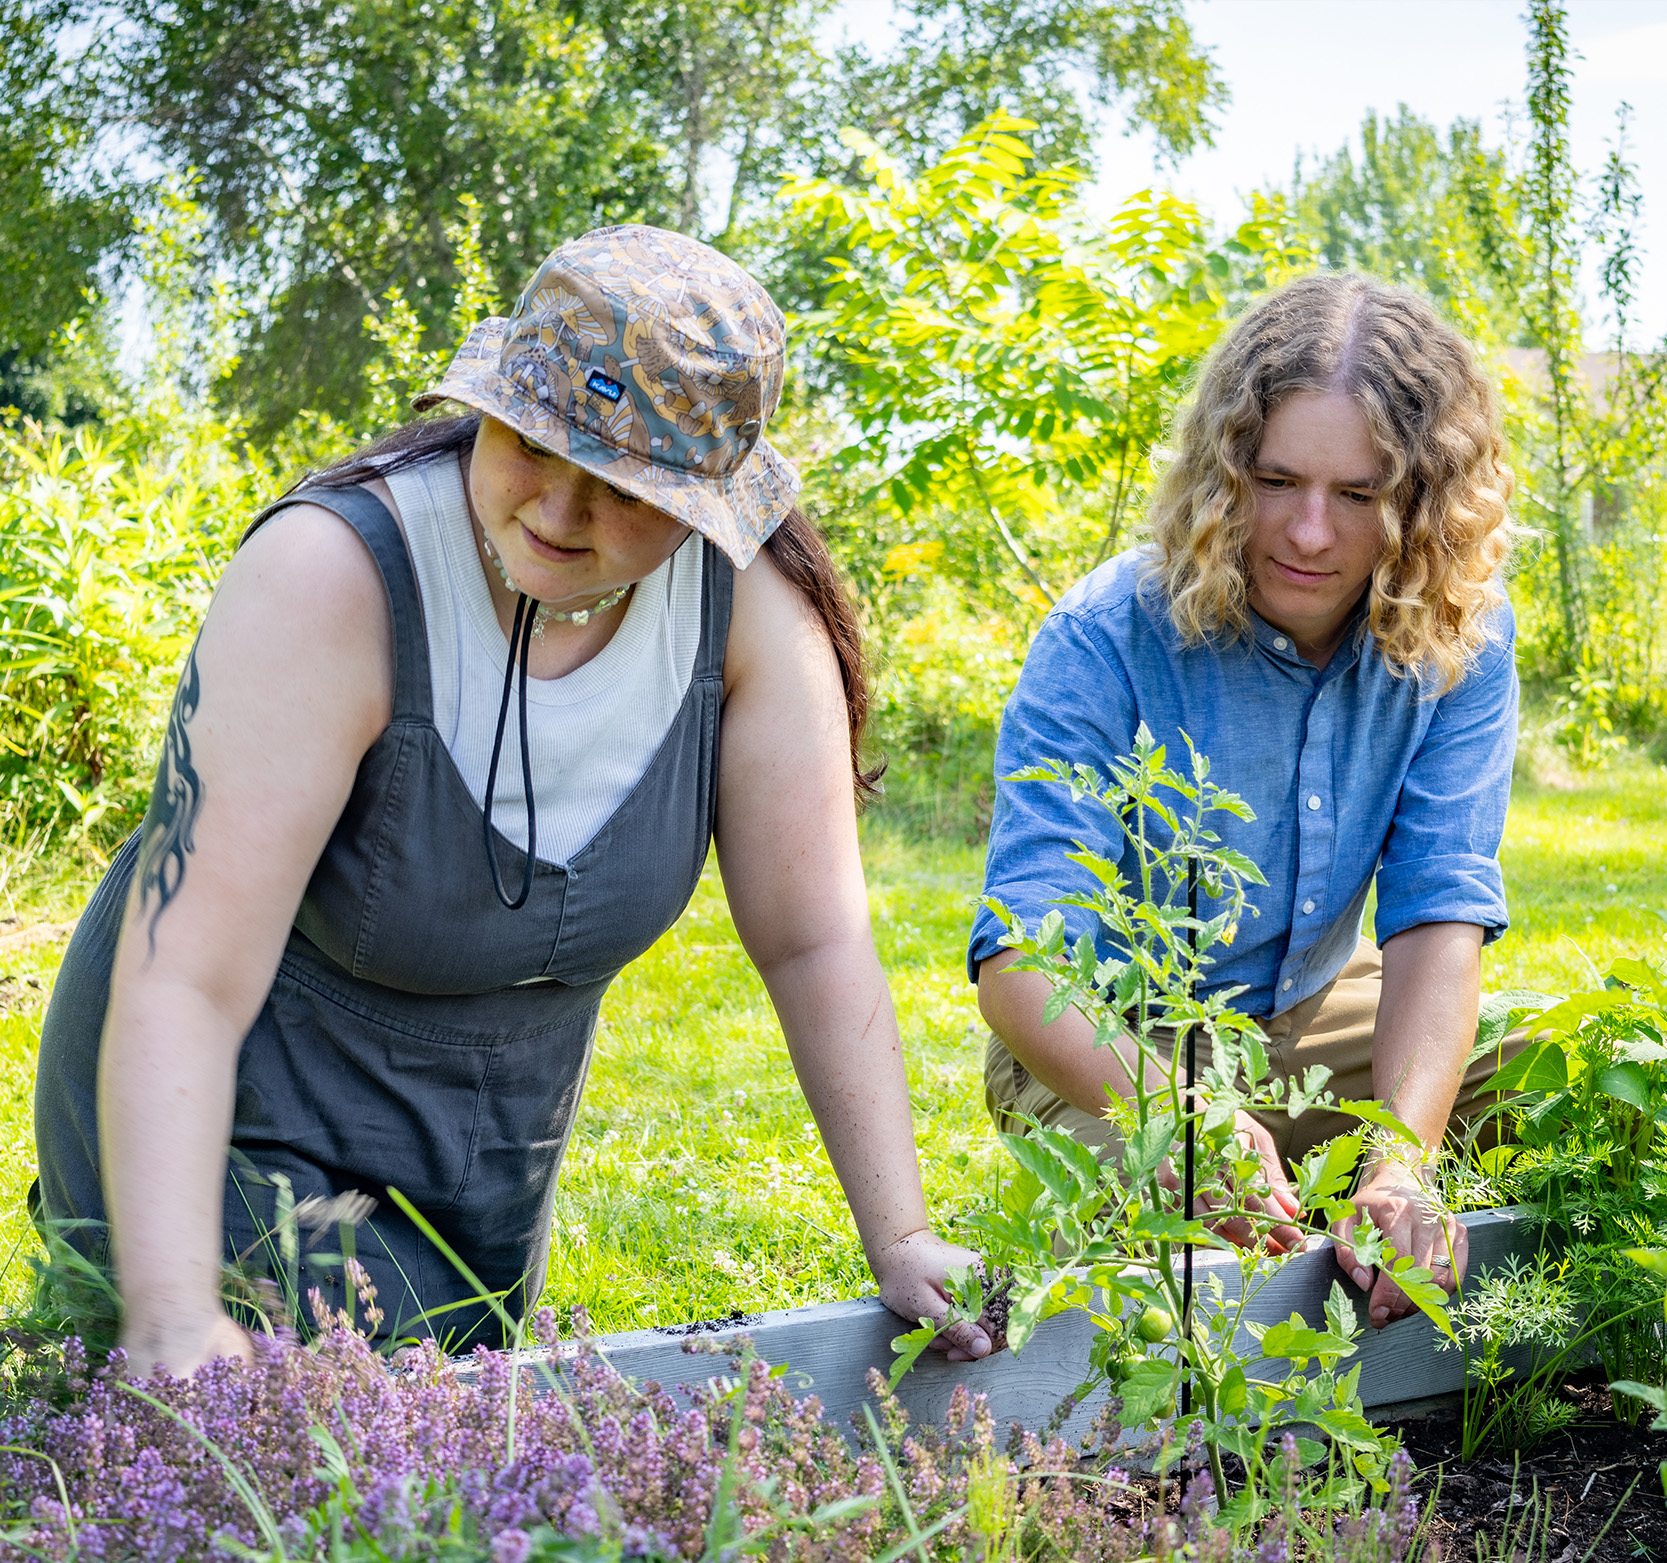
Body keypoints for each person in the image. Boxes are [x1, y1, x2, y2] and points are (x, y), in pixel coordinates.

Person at [34, 224, 995, 1376]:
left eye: (623, 491)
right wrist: (172, 1309)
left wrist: (896, 1235)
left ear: (703, 503)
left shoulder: (748, 615)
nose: (557, 511)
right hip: (232, 1090)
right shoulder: (331, 578)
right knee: (279, 1439)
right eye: (533, 445)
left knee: (449, 1432)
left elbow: (815, 940)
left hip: (488, 1139)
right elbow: (190, 973)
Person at [972, 273, 1520, 1331]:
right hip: (1116, 1035)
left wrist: (1402, 1162)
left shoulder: (1461, 639)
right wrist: (1181, 1125)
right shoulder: (1103, 637)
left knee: (1593, 1093)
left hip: (1326, 1008)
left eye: (1358, 495)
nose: (1308, 533)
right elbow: (1021, 969)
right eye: (1275, 480)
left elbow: (1436, 915)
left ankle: (1350, 1178)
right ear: (1224, 470)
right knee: (1159, 1241)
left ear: (1422, 501)